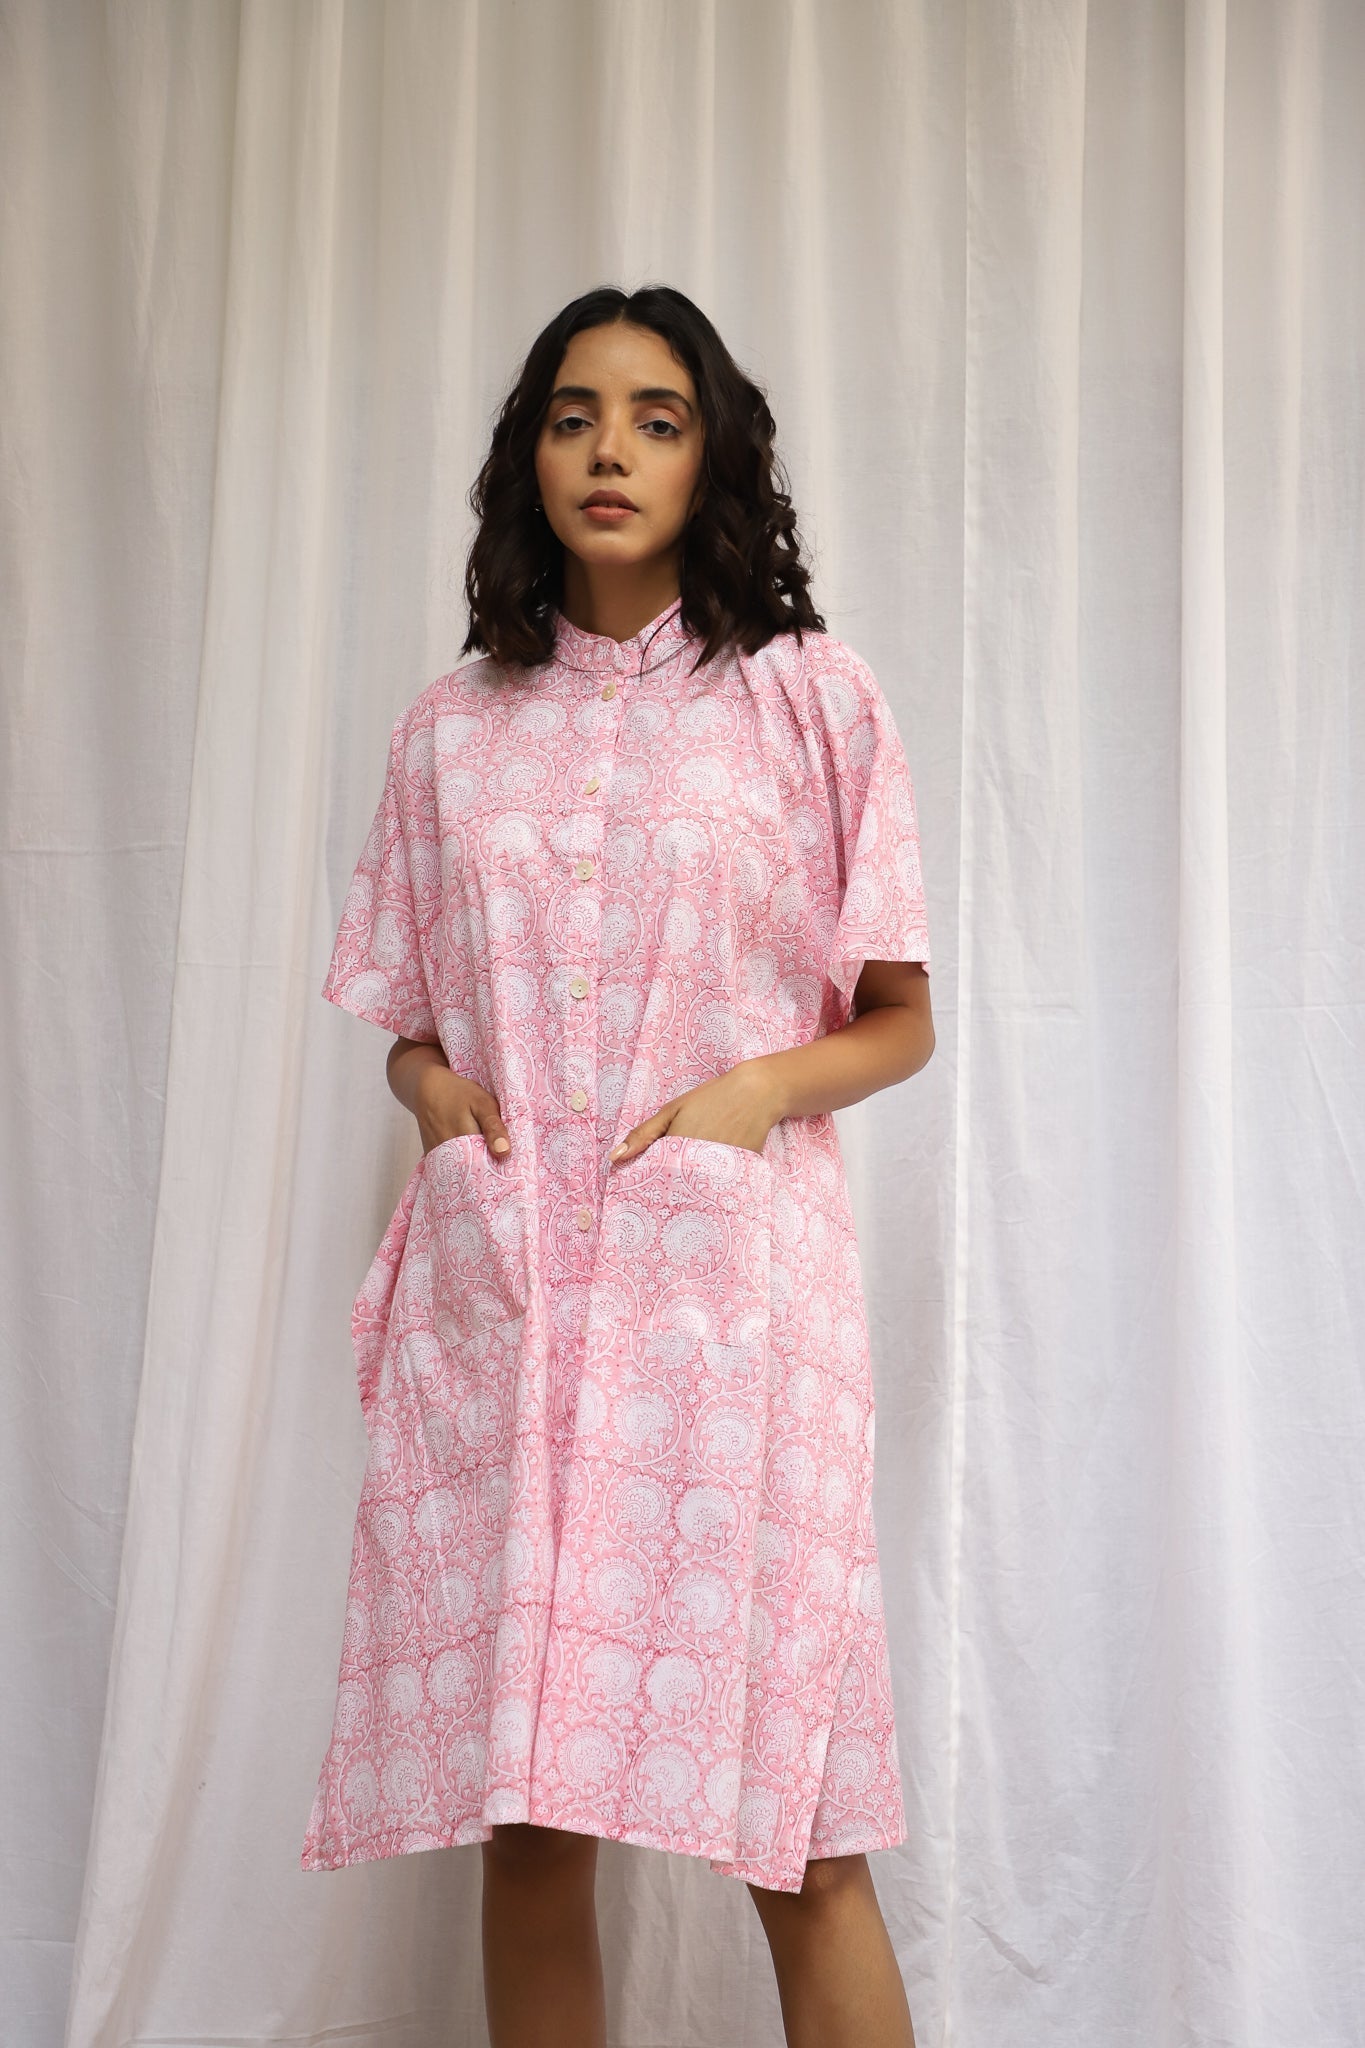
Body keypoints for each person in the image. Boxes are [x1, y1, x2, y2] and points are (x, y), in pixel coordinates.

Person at [302, 283, 934, 2048]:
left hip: (729, 1317)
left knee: (795, 1827)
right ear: (529, 453)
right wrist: (431, 1094)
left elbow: (899, 1019)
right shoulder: (450, 730)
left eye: (659, 419)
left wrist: (753, 1093)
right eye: (574, 416)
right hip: (509, 1315)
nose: (611, 451)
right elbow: (410, 1021)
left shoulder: (806, 698)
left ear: (712, 456)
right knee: (526, 1818)